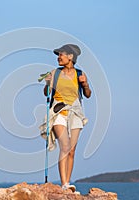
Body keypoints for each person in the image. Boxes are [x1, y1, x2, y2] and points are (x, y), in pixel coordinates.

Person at [40, 44, 91, 192]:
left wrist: (85, 84)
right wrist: (47, 83)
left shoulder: (79, 73)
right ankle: (64, 184)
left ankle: (68, 183)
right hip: (58, 112)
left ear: (70, 57)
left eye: (61, 54)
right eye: (58, 55)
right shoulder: (55, 73)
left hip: (75, 112)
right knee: (65, 146)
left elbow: (87, 94)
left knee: (72, 150)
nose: (58, 57)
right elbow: (46, 92)